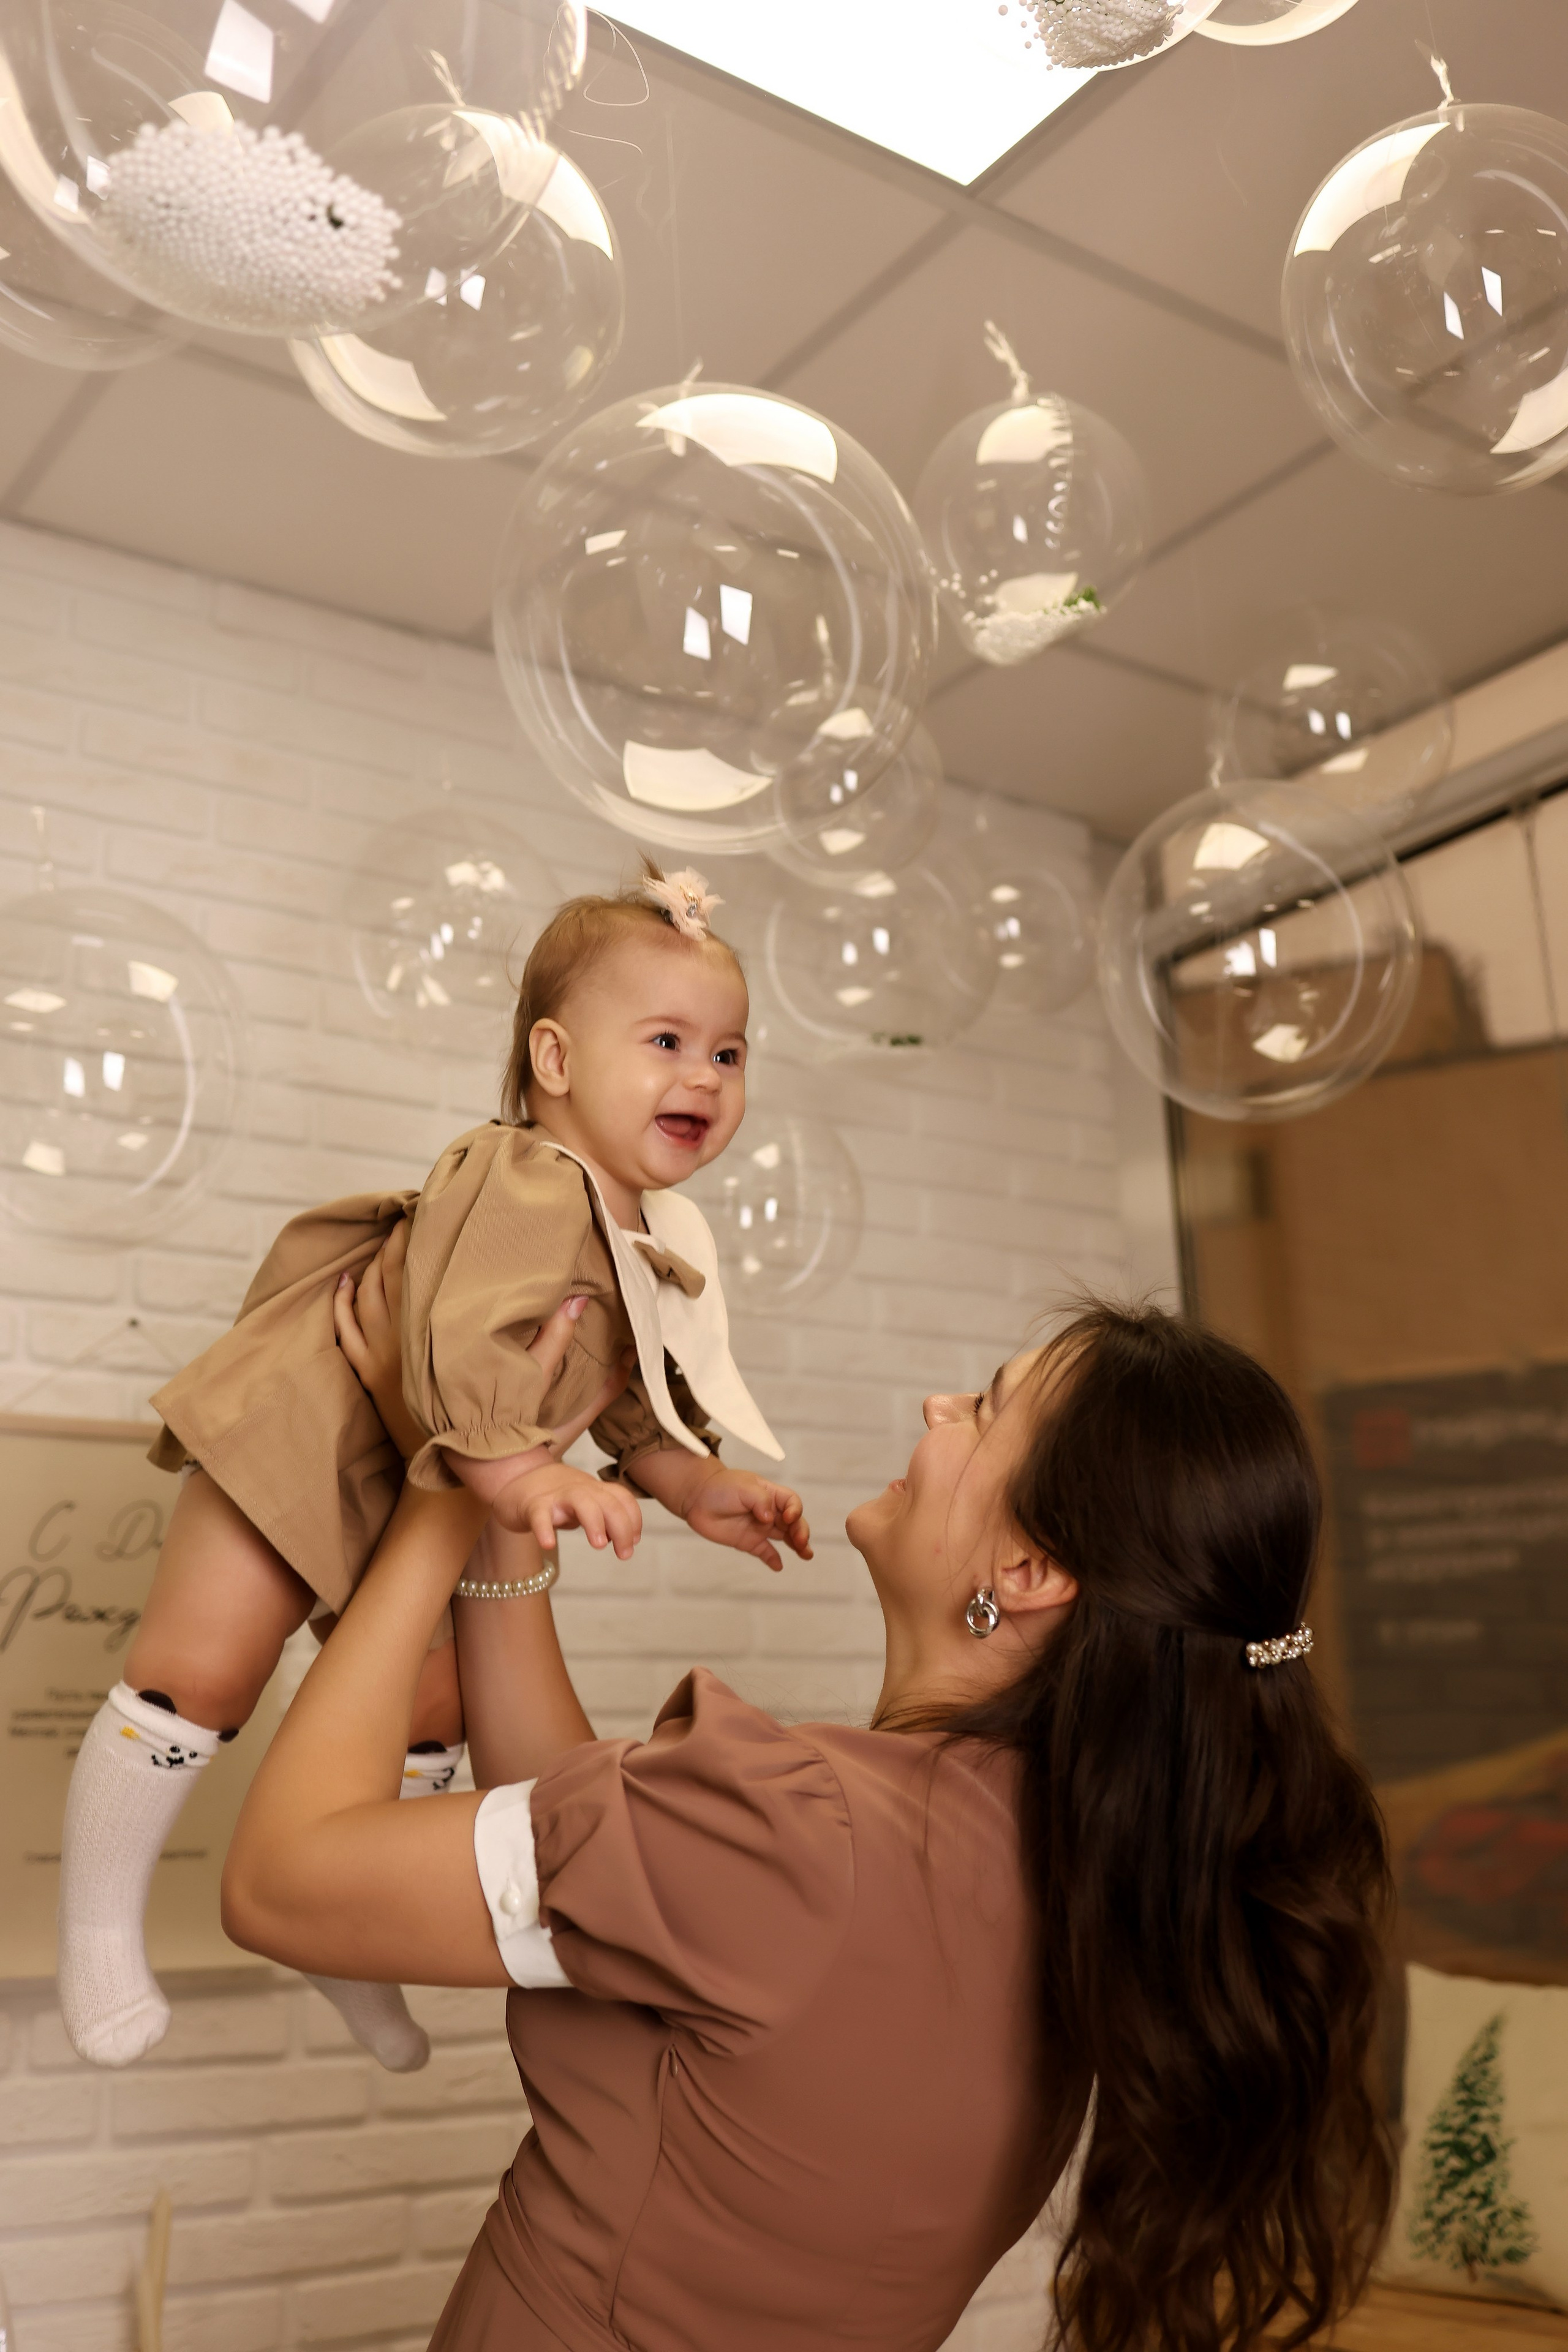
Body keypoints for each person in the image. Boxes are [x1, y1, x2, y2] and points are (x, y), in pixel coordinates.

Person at [222, 1270, 1395, 2352]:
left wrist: (447, 1475)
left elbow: (279, 1881)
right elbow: (590, 1848)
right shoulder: (1064, 1870)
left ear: (1030, 1572)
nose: (941, 1408)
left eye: (984, 1411)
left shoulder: (802, 1831)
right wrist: (504, 1507)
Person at [58, 866, 809, 2073]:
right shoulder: (518, 1175)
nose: (704, 1078)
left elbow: (621, 1399)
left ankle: (343, 1940)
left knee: (426, 1710)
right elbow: (463, 1334)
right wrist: (516, 1486)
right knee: (202, 1666)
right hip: (310, 1423)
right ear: (555, 1061)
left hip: (436, 1463)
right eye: (665, 1040)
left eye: (729, 1053)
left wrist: (689, 1483)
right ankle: (97, 1925)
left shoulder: (652, 1240)